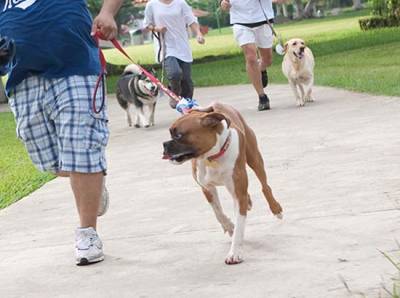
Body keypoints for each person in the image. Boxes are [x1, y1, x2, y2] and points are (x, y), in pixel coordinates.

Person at [0, 0, 123, 265]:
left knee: (81, 146)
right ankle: (92, 183)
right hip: (22, 77)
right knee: (53, 162)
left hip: (76, 67)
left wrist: (107, 12)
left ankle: (87, 234)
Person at [144, 0, 205, 109]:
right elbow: (147, 25)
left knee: (187, 80)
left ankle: (187, 107)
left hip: (182, 46)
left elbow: (191, 20)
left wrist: (198, 34)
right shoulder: (152, 4)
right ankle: (174, 95)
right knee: (174, 73)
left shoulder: (181, 3)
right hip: (166, 47)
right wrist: (156, 28)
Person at [221, 0, 274, 111]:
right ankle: (262, 96)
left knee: (267, 60)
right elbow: (223, 3)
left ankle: (261, 68)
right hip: (240, 21)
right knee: (251, 57)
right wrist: (223, 3)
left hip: (263, 19)